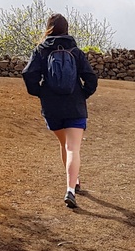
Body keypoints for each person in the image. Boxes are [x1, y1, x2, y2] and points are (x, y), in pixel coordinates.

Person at [23, 13, 98, 209]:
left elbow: (28, 74)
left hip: (52, 107)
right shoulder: (76, 51)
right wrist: (83, 94)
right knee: (73, 147)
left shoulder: (41, 51)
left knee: (64, 144)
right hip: (75, 106)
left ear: (48, 28)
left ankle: (74, 181)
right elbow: (91, 78)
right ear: (66, 29)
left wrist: (40, 92)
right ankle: (70, 189)